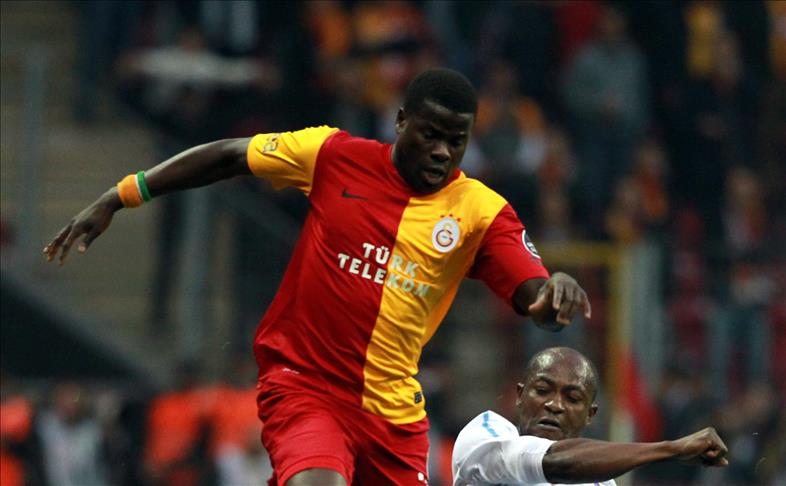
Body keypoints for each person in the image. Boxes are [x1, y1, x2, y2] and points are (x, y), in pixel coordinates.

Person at [44, 68, 591, 486]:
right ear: (401, 120)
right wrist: (122, 194)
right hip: (306, 385)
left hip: (393, 414)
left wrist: (554, 291)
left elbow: (535, 299)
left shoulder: (480, 212)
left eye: (457, 141)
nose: (442, 152)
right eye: (430, 135)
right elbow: (230, 156)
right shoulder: (332, 154)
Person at [452, 347, 729, 486]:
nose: (555, 405)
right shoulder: (485, 434)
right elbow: (554, 462)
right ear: (520, 395)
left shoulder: (599, 481)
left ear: (589, 415)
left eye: (572, 398)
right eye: (542, 390)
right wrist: (671, 449)